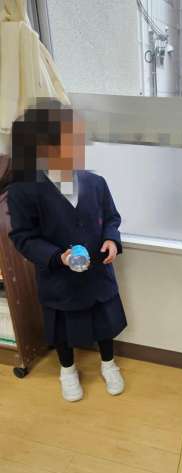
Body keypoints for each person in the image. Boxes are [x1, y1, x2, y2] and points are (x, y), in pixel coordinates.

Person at [7, 99, 127, 402]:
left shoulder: (95, 182)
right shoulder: (23, 191)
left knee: (104, 322)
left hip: (97, 273)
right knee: (62, 328)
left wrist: (111, 240)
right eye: (70, 141)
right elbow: (23, 237)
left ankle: (108, 364)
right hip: (58, 277)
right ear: (43, 148)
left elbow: (111, 218)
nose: (78, 147)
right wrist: (57, 256)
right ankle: (67, 369)